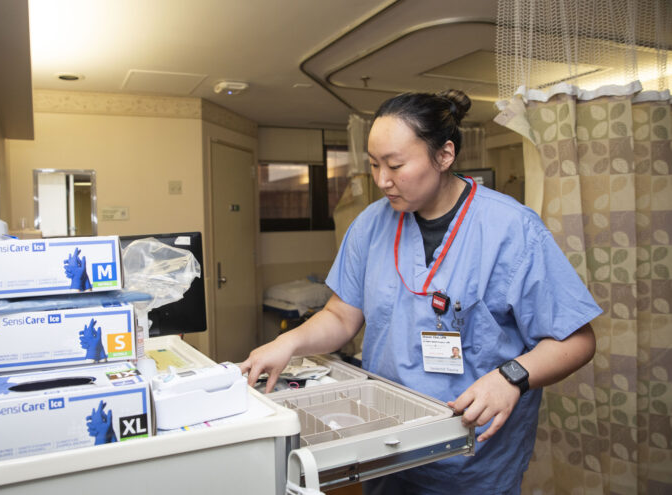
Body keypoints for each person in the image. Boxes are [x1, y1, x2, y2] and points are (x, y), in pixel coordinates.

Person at [240, 89, 601, 494]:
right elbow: (342, 315)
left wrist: (510, 377)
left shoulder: (512, 230)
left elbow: (576, 340)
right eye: (375, 165)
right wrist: (287, 343)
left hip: (469, 461)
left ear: (444, 155)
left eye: (395, 165)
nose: (382, 181)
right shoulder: (370, 225)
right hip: (384, 447)